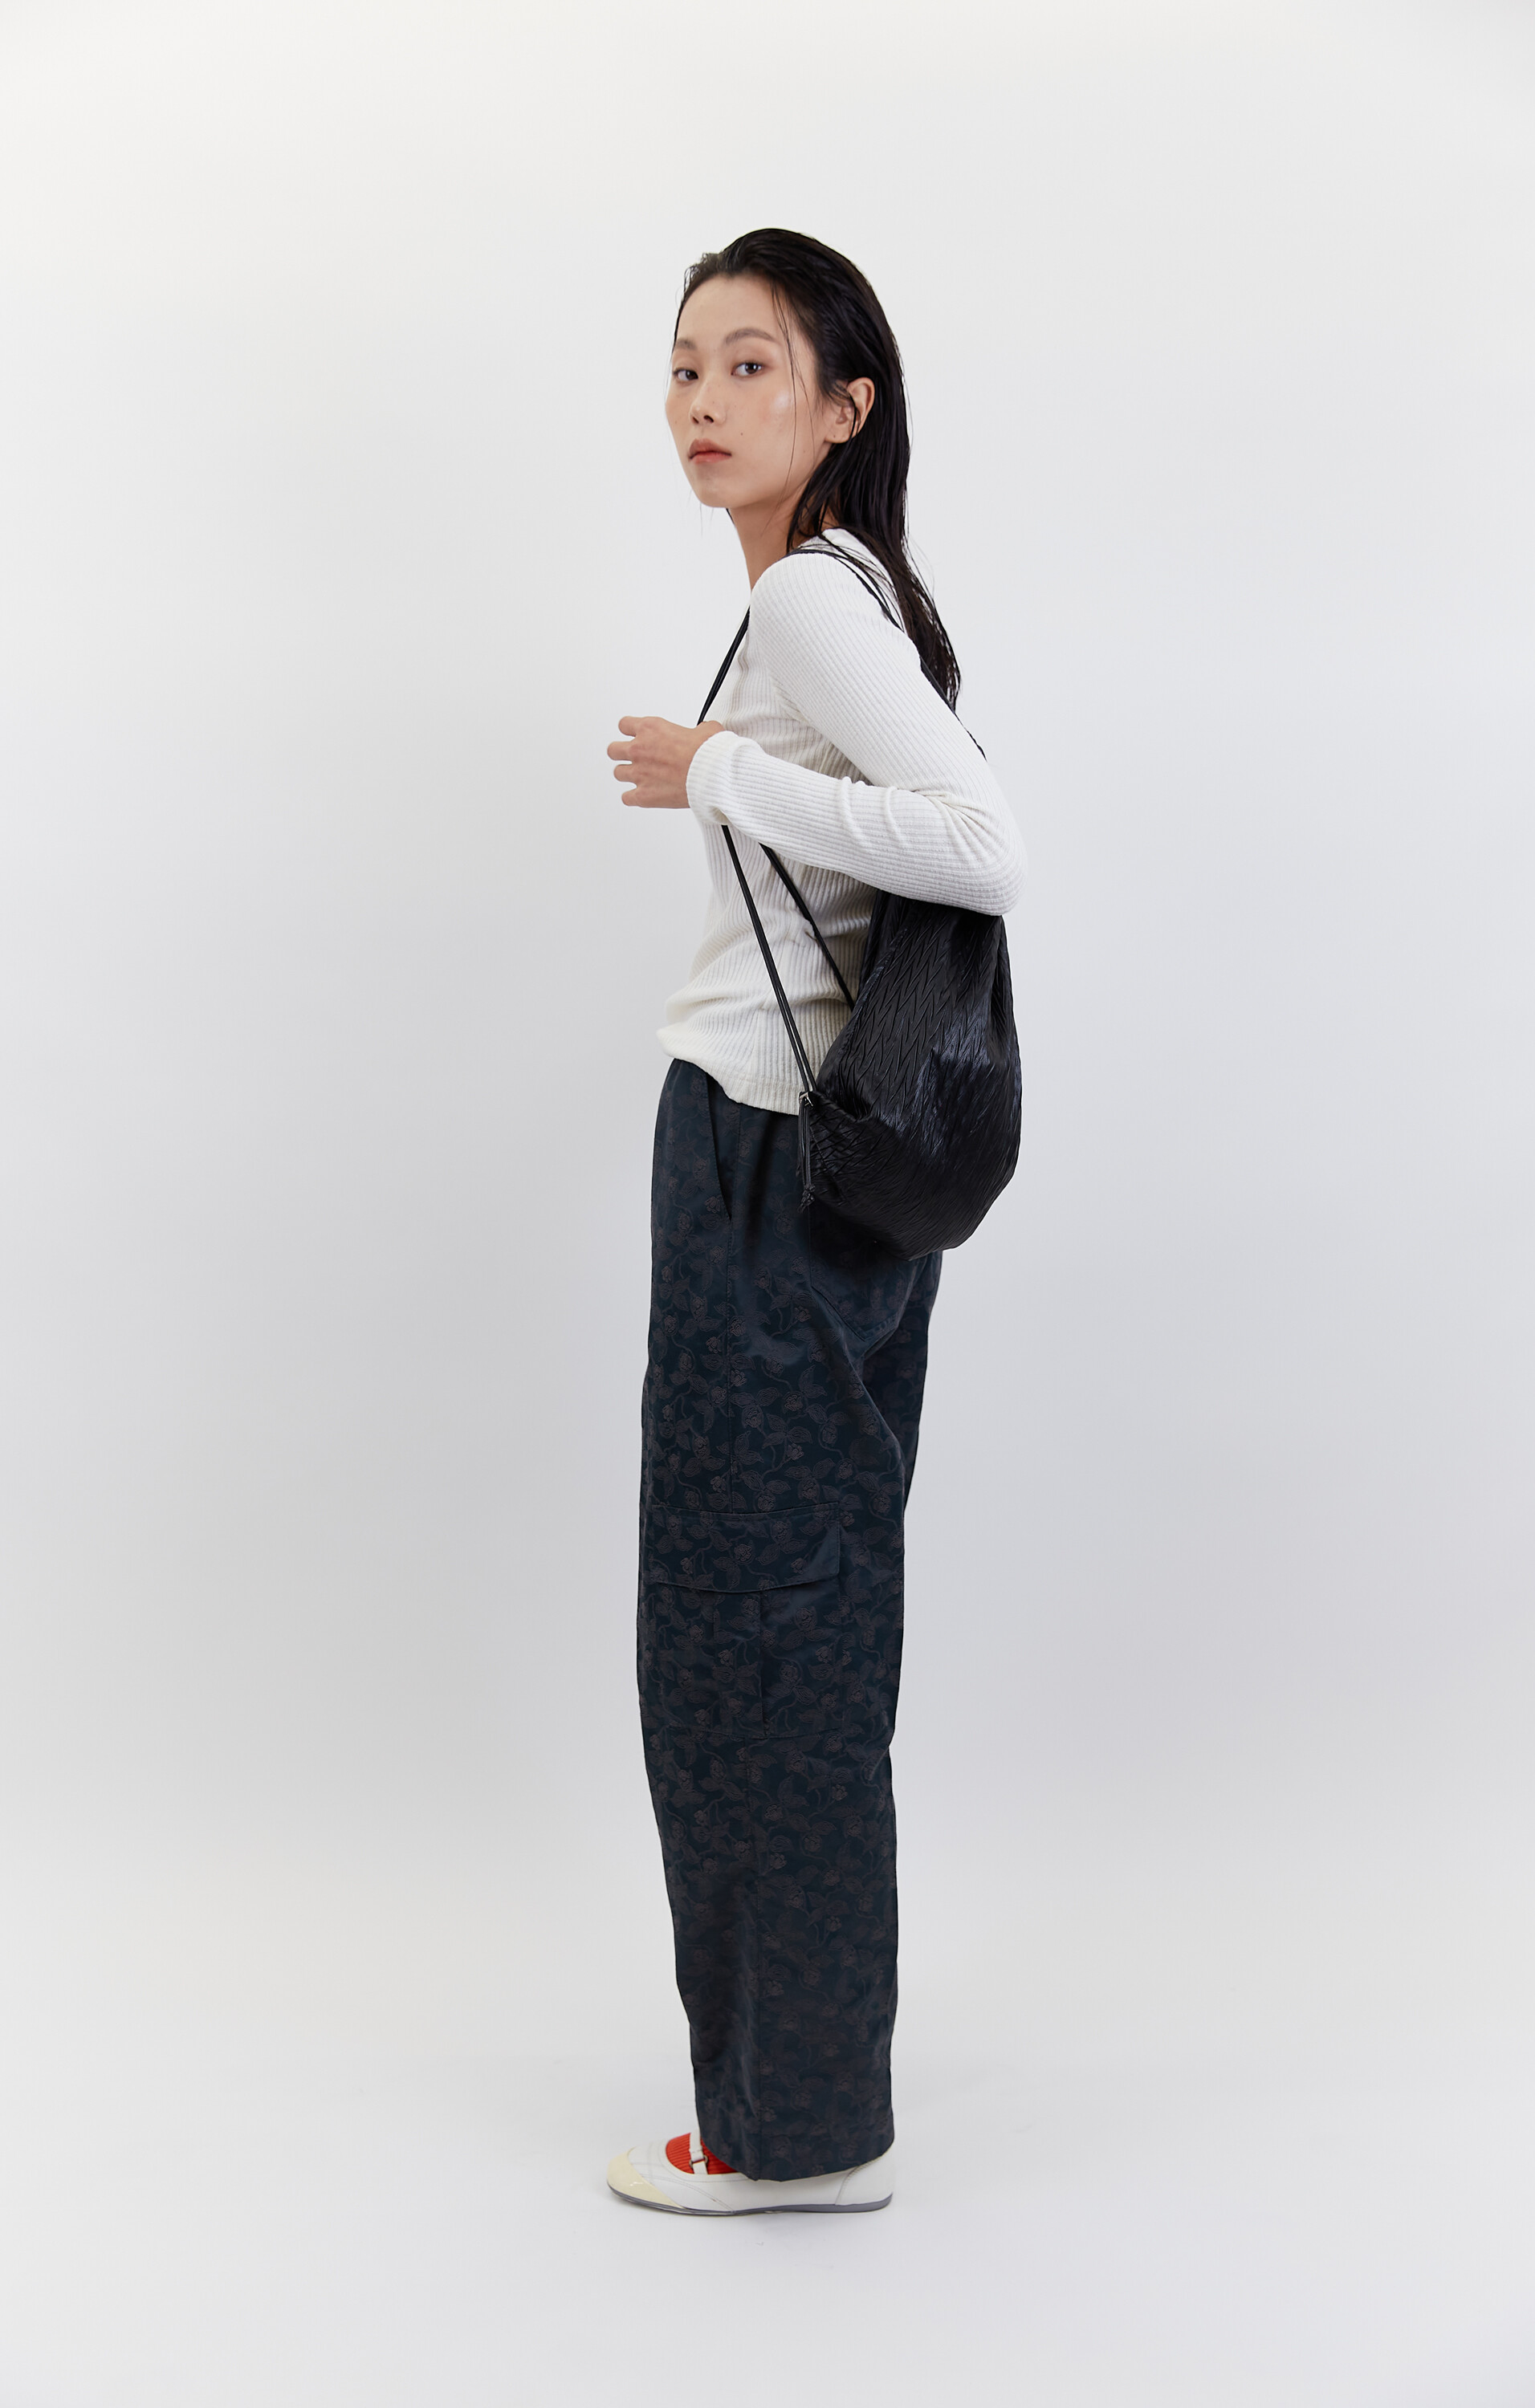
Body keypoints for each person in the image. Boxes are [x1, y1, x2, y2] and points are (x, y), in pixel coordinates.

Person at [604, 230, 1026, 2216]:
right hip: (824, 1157)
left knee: (745, 1638)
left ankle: (786, 2137)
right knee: (800, 1624)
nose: (703, 400)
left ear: (845, 407)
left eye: (751, 365)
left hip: (771, 1159)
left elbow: (981, 845)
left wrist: (726, 774)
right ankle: (806, 2102)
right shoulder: (845, 590)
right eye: (685, 365)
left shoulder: (807, 602)